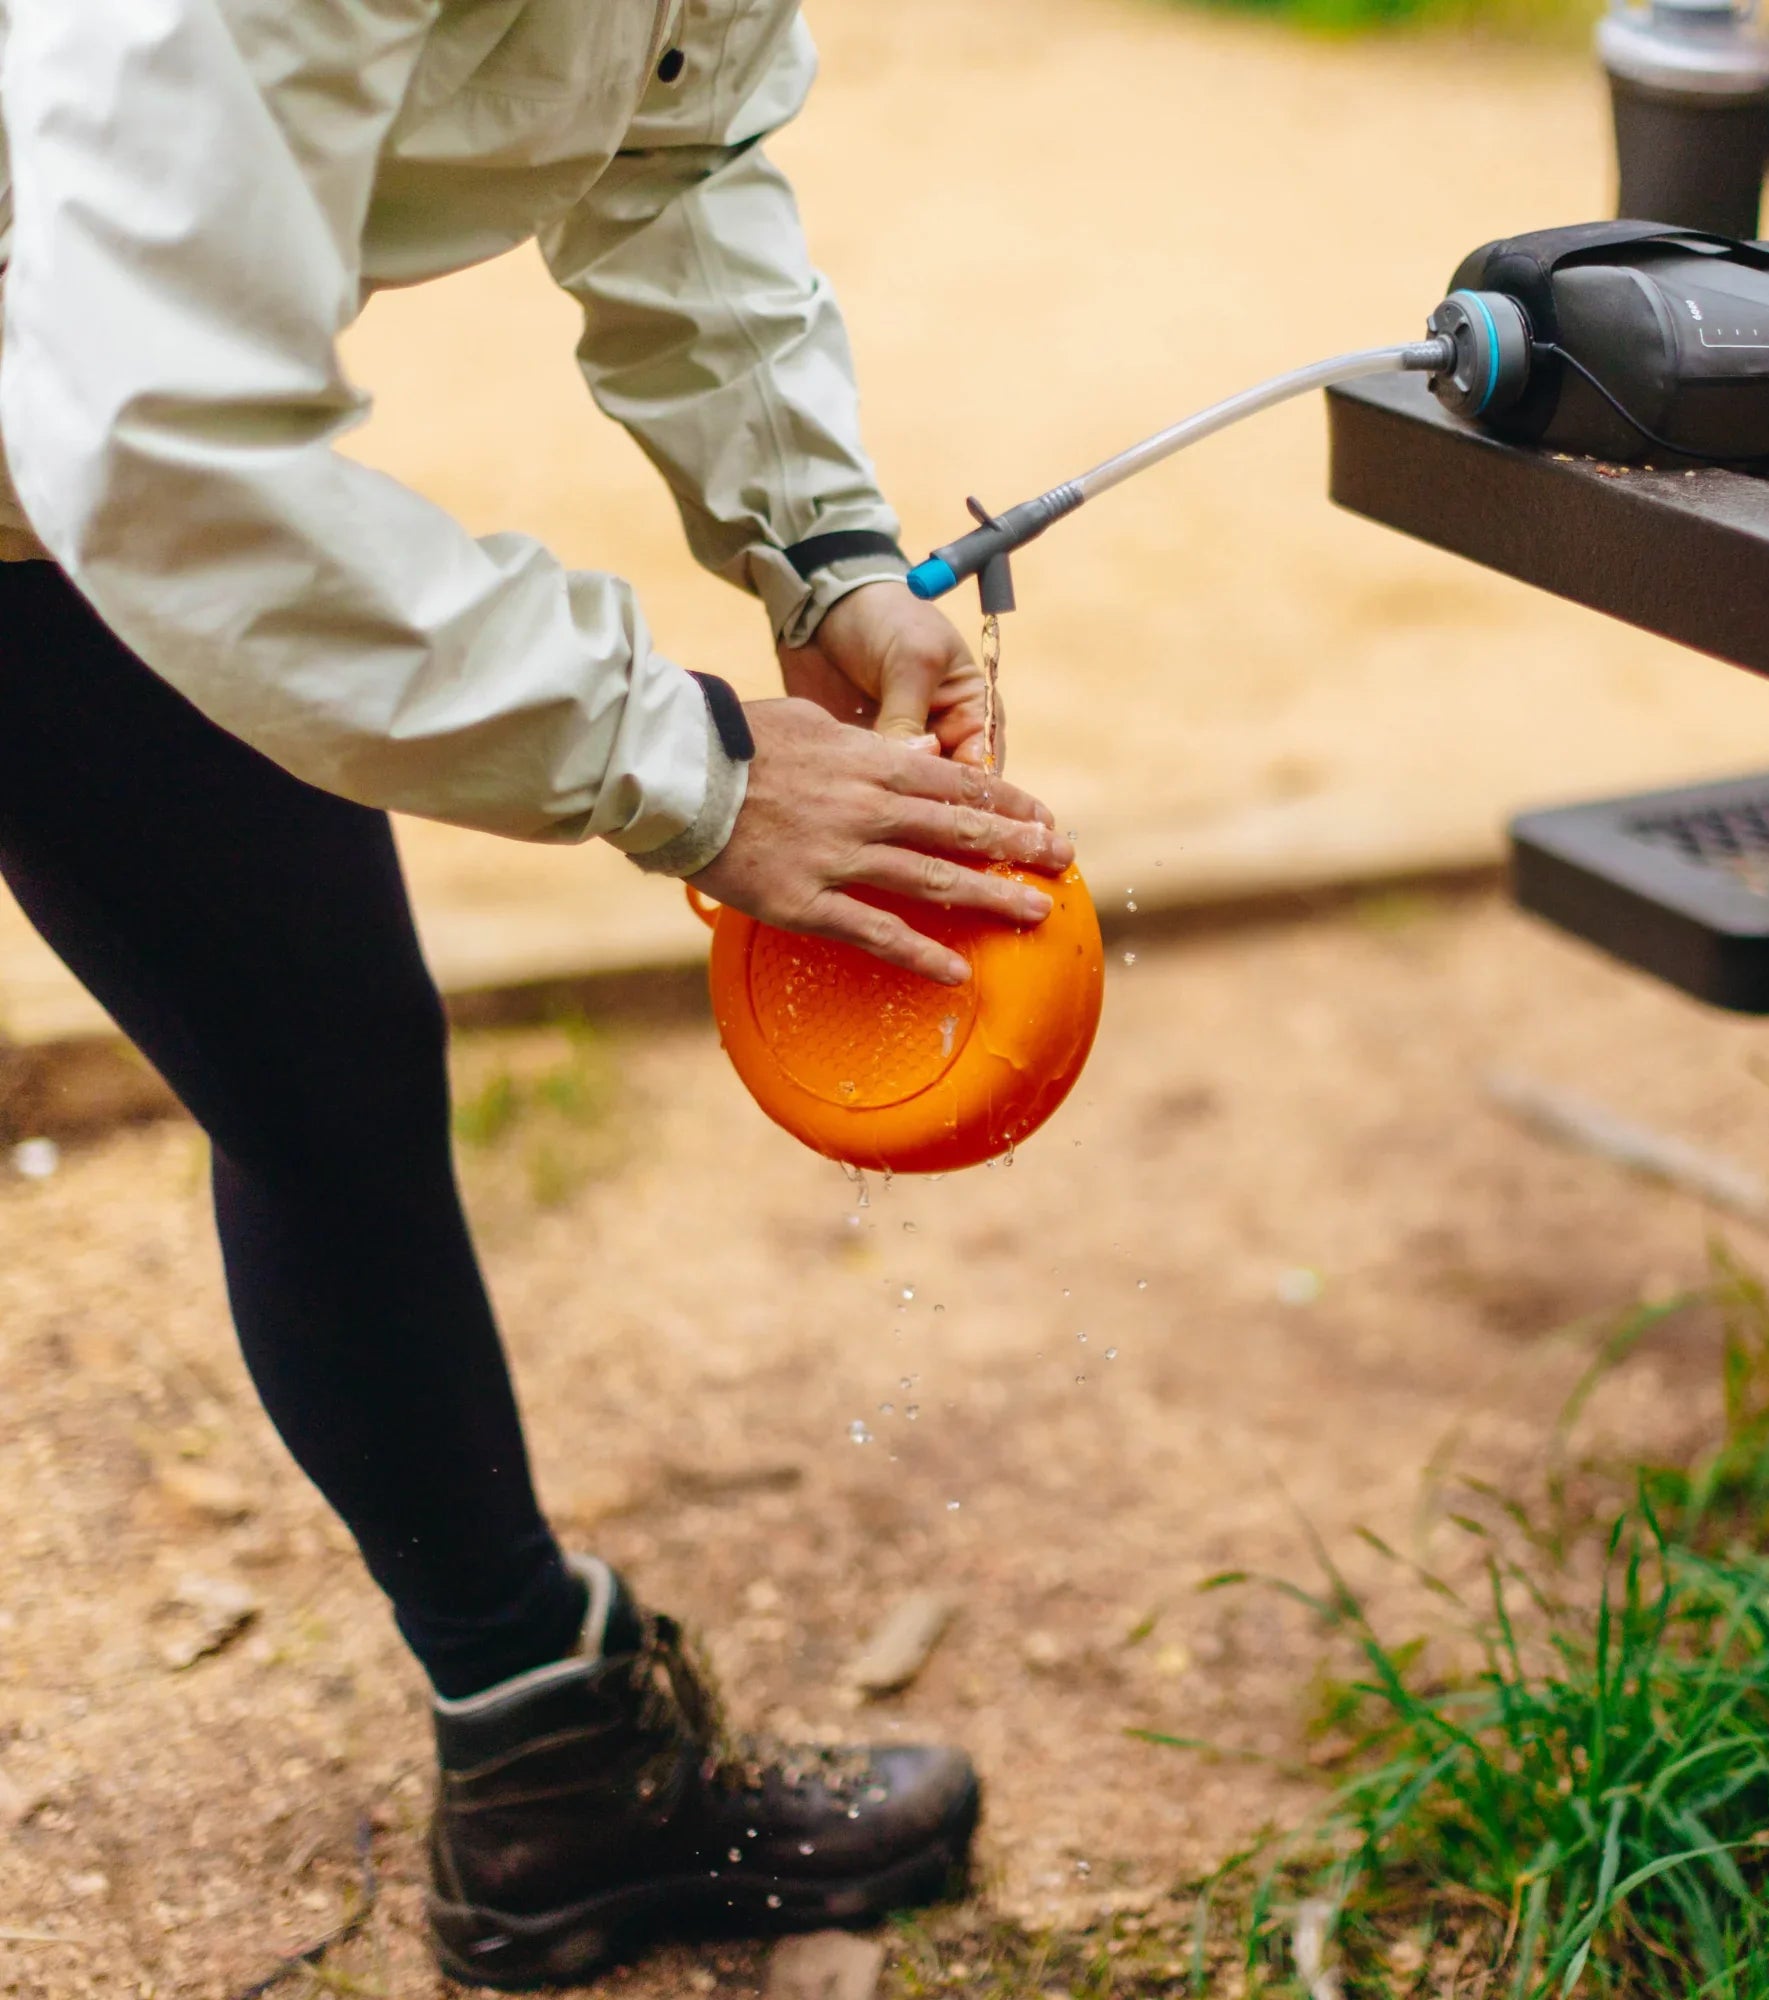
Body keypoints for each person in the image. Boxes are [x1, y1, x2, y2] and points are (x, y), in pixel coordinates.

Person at [0, 1, 1074, 1987]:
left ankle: (552, 1764)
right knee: (317, 1067)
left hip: (78, 407)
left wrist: (822, 550)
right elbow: (158, 441)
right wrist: (694, 766)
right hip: (71, 404)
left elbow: (677, 135)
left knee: (322, 1070)